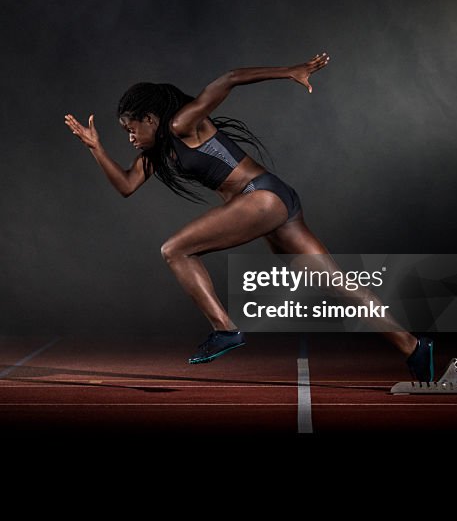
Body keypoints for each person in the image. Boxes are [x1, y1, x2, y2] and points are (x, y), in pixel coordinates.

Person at [64, 53, 434, 380]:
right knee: (335, 284)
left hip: (262, 197)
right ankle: (413, 347)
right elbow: (127, 185)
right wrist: (96, 148)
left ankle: (224, 329)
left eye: (132, 129)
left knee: (174, 250)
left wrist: (291, 71)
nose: (130, 138)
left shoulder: (182, 124)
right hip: (275, 200)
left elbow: (229, 79)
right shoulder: (157, 154)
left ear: (150, 118)